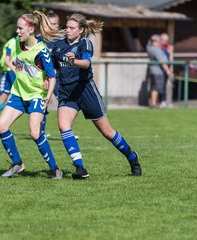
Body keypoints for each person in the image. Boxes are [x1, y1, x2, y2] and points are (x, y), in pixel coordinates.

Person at [52, 13, 142, 179]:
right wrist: (47, 80)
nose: (68, 30)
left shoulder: (84, 43)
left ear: (80, 30)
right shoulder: (58, 45)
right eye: (67, 27)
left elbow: (86, 63)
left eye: (72, 28)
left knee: (107, 132)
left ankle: (132, 157)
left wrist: (74, 61)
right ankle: (80, 168)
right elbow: (54, 68)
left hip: (86, 91)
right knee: (63, 126)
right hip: (67, 92)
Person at [0, 11, 63, 179]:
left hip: (36, 95)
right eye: (17, 28)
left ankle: (55, 169)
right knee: (1, 126)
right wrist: (16, 69)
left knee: (34, 133)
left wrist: (47, 99)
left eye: (20, 28)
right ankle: (18, 164)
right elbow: (14, 62)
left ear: (31, 29)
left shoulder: (41, 51)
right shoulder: (17, 43)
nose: (17, 32)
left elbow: (52, 77)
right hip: (18, 92)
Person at [146, 34, 172, 108]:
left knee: (155, 87)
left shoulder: (149, 47)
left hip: (153, 71)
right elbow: (162, 61)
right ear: (156, 41)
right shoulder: (156, 49)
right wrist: (167, 70)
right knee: (156, 88)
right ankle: (154, 104)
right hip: (158, 72)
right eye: (159, 41)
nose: (160, 42)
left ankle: (155, 103)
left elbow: (149, 42)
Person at [160, 33, 173, 108]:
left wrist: (171, 68)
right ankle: (161, 101)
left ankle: (166, 101)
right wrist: (167, 69)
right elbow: (161, 60)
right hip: (161, 70)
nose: (165, 41)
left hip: (167, 71)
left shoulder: (168, 47)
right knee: (160, 86)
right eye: (164, 40)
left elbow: (171, 57)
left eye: (167, 40)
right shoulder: (158, 48)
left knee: (167, 86)